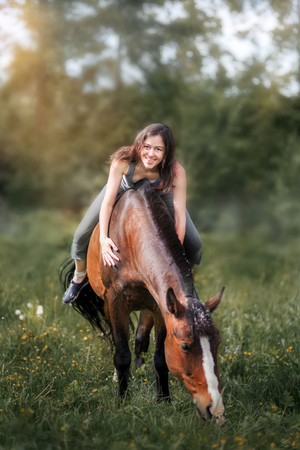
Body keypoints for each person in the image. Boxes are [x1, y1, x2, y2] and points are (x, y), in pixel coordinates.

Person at [62, 123, 202, 304]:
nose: (151, 154)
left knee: (196, 244)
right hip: (123, 189)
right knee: (81, 234)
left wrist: (174, 254)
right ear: (139, 145)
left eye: (158, 149)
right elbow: (108, 203)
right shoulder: (122, 161)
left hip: (160, 194)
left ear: (166, 153)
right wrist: (103, 239)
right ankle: (78, 278)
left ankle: (184, 281)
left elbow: (180, 216)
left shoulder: (176, 172)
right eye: (147, 147)